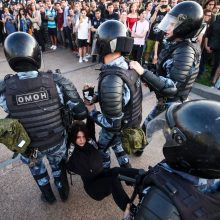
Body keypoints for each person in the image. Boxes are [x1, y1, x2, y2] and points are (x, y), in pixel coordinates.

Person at [0, 32, 87, 204]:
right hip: (56, 141)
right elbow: (81, 113)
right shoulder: (57, 81)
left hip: (27, 146)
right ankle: (63, 192)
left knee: (37, 170)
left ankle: (48, 196)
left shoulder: (4, 89)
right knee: (57, 166)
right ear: (35, 54)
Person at [123, 100, 220, 220]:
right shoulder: (209, 171)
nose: (167, 137)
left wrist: (127, 218)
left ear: (190, 152)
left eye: (171, 137)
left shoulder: (160, 205)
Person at [130, 1, 203, 139]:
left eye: (172, 24)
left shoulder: (186, 52)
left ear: (185, 26)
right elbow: (162, 67)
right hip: (166, 102)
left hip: (173, 105)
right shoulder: (177, 43)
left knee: (168, 137)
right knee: (153, 129)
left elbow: (171, 87)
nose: (167, 27)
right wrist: (148, 74)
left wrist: (143, 73)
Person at [85, 20, 143, 170]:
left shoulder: (112, 78)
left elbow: (112, 124)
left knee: (102, 150)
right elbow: (124, 97)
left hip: (117, 125)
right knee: (117, 144)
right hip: (127, 122)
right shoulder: (128, 66)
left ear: (106, 44)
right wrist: (97, 95)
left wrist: (92, 112)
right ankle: (128, 172)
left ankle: (107, 176)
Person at [66, 120, 140, 212]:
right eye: (78, 137)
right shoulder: (72, 154)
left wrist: (88, 109)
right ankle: (132, 211)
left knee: (116, 170)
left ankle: (144, 175)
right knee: (113, 180)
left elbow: (90, 122)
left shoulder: (90, 141)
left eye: (84, 136)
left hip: (102, 176)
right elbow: (65, 141)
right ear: (73, 138)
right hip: (94, 189)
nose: (82, 140)